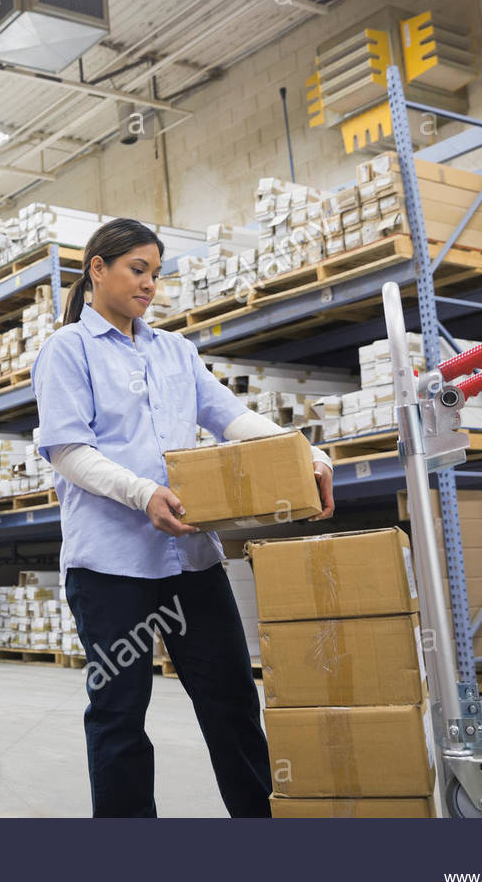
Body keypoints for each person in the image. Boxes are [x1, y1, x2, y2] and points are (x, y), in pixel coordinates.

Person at [30, 218, 335, 818]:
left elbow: (232, 418)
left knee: (232, 703)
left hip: (191, 561)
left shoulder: (176, 351)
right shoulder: (66, 350)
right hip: (112, 567)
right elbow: (68, 451)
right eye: (137, 270)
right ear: (98, 268)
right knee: (119, 715)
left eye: (155, 273)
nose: (150, 285)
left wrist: (308, 455)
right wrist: (143, 493)